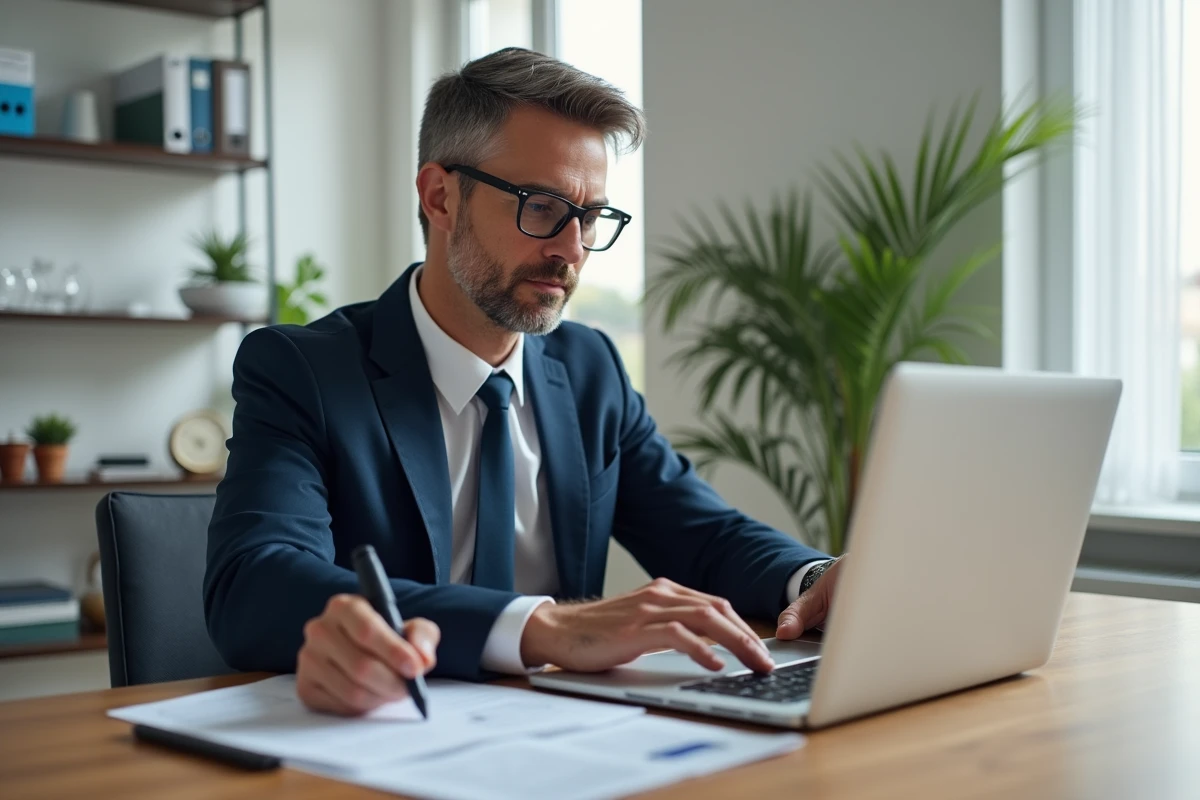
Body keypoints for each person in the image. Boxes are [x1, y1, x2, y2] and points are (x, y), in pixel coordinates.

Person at [204, 47, 843, 717]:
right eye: (542, 206)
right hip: (376, 736)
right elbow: (254, 583)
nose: (571, 250)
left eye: (591, 217)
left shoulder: (589, 370)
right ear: (440, 196)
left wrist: (820, 579)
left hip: (560, 738)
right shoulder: (302, 370)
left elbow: (706, 536)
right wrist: (541, 627)